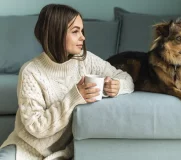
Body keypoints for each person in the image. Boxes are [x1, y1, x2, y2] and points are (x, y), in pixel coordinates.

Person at [0, 4, 134, 160]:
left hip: (64, 152)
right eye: (75, 31)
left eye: (82, 31)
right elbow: (36, 127)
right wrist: (74, 97)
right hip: (27, 149)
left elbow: (126, 78)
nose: (82, 37)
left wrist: (117, 86)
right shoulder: (31, 71)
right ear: (55, 34)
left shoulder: (86, 60)